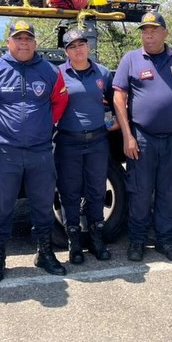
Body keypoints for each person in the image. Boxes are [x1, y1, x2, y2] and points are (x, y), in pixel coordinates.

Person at [0, 20, 69, 282]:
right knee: (2, 209)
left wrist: (46, 124)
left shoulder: (50, 71)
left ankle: (45, 253)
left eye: (28, 39)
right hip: (5, 153)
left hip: (40, 152)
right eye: (18, 38)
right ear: (9, 42)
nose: (23, 43)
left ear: (35, 43)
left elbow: (60, 101)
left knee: (42, 206)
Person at [113, 10, 172, 262]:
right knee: (140, 191)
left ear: (165, 33)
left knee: (169, 190)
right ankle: (137, 241)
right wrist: (128, 136)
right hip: (142, 137)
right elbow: (119, 97)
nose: (148, 36)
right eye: (144, 31)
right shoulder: (131, 59)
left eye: (153, 31)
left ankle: (165, 241)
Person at [55, 29, 115, 264]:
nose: (78, 49)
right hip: (68, 141)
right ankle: (75, 244)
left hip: (98, 141)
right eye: (72, 46)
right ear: (66, 51)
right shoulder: (58, 74)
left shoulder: (102, 73)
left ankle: (97, 240)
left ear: (88, 46)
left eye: (81, 44)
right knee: (69, 192)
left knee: (96, 190)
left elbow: (114, 100)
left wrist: (115, 121)